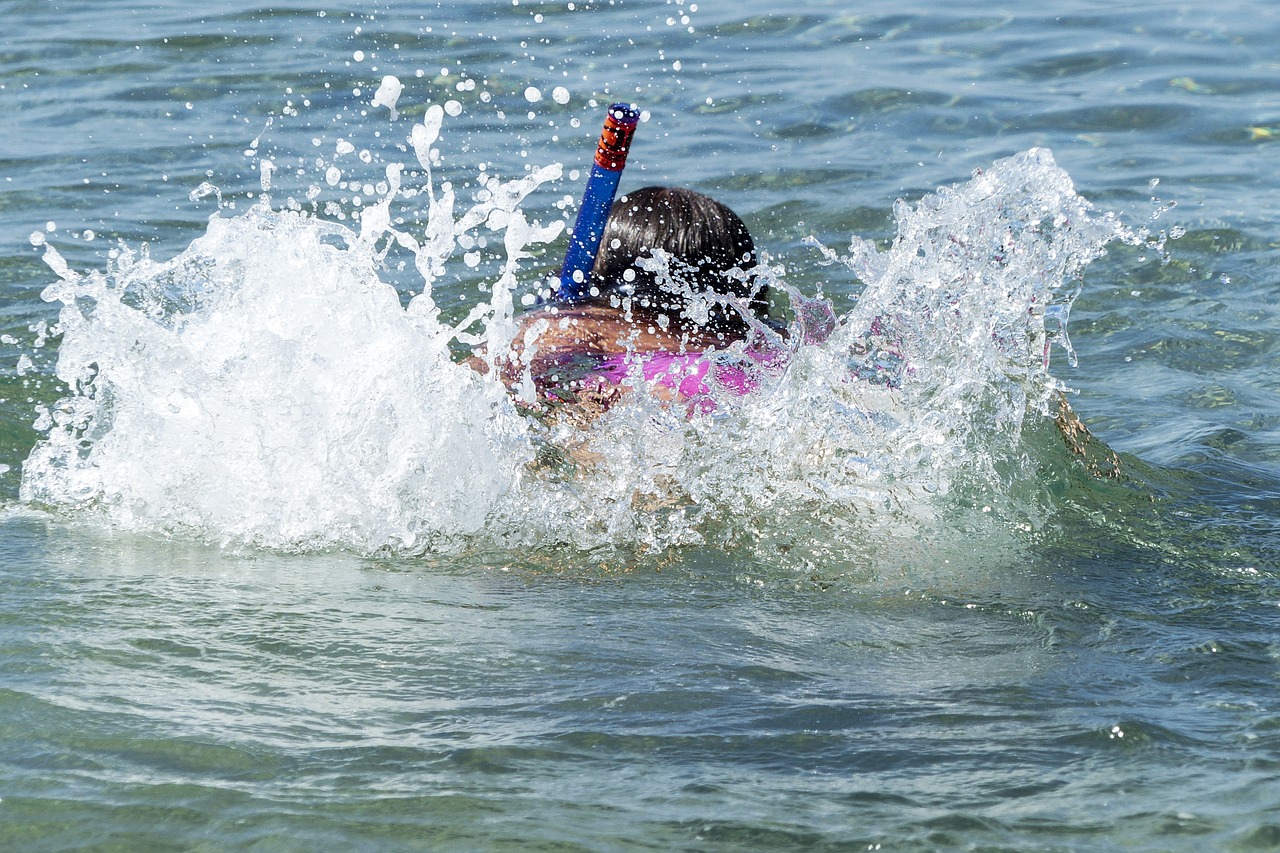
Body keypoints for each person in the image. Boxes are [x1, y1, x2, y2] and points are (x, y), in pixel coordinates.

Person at [472, 185, 785, 420]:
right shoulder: (773, 337)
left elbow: (472, 380)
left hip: (646, 402)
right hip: (752, 393)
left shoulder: (587, 327)